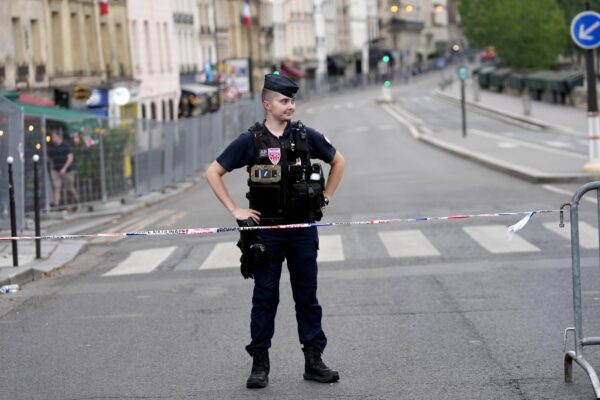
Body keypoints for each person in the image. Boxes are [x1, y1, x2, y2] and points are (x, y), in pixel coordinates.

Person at [206, 74, 345, 389]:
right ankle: (259, 364)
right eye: (284, 101)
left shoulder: (306, 136)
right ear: (267, 104)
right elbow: (213, 172)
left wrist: (326, 197)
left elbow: (339, 161)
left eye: (292, 100)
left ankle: (314, 360)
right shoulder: (251, 140)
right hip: (266, 231)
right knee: (265, 298)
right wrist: (235, 210)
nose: (290, 106)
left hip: (302, 229)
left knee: (307, 297)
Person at [47, 129, 79, 211]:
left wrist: (64, 168)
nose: (52, 138)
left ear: (58, 137)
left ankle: (77, 201)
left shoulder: (65, 145)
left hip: (67, 170)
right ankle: (57, 205)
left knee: (69, 187)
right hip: (56, 170)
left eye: (54, 136)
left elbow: (70, 157)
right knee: (56, 187)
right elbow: (51, 160)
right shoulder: (52, 147)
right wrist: (52, 169)